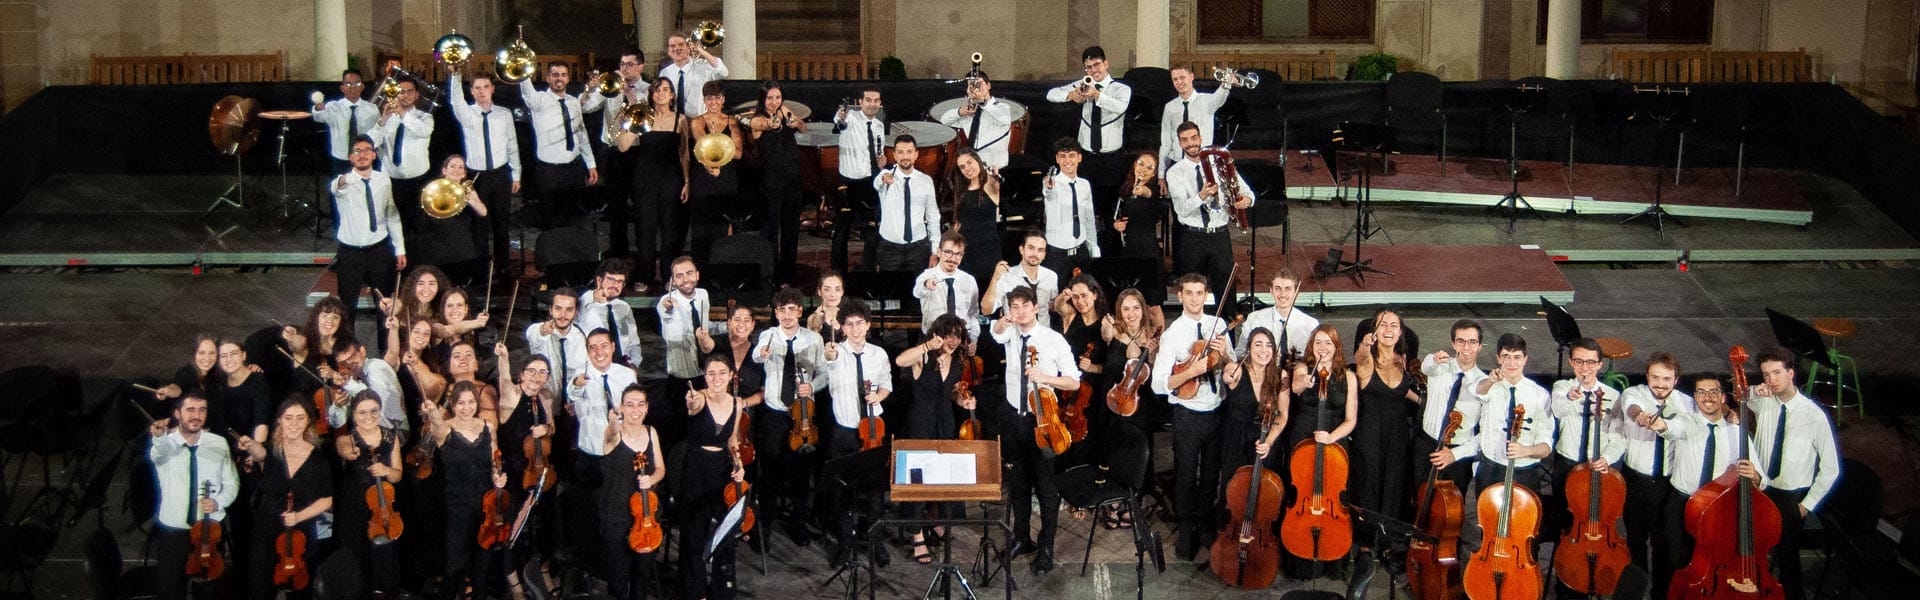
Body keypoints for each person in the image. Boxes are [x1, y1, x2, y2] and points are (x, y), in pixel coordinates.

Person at [989, 285, 1083, 574]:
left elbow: (1074, 381)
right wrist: (1004, 320)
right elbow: (995, 331)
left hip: (1042, 421)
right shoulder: (1010, 334)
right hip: (1012, 416)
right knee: (1017, 483)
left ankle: (1046, 546)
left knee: (1046, 488)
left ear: (1036, 308)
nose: (1020, 311)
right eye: (1014, 307)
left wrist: (1043, 377)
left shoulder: (1053, 340)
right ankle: (1021, 538)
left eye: (1024, 306)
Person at [1632, 371, 1740, 597]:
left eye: (1713, 392)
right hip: (1681, 504)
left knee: (1712, 562)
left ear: (1723, 397)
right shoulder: (1685, 421)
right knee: (1676, 560)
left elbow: (1759, 477)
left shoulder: (1736, 433)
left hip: (1718, 508)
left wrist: (1756, 477)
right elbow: (1670, 429)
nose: (1707, 397)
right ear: (1695, 397)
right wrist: (1659, 424)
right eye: (1701, 392)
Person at [1151, 274, 1234, 560]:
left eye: (1200, 293)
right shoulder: (1172, 335)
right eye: (1189, 293)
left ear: (1206, 295)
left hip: (1216, 411)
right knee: (1186, 476)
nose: (1195, 298)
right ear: (1181, 296)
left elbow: (1231, 369)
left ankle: (1205, 526)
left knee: (1211, 475)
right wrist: (1190, 372)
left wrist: (1225, 356)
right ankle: (1186, 529)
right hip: (1188, 415)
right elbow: (1159, 383)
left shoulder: (1219, 325)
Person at [1748, 348, 1842, 600]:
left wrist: (1806, 506)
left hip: (1792, 497)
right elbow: (1741, 394)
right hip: (1761, 488)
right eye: (1766, 375)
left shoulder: (1814, 415)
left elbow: (1831, 468)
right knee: (1751, 546)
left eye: (1777, 372)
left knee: (1788, 555)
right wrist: (1753, 390)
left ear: (1791, 373)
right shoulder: (1762, 401)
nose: (1772, 380)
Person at [1348, 308, 1421, 587]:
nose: (1389, 328)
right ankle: (1366, 545)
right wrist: (1365, 347)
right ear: (1374, 331)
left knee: (1393, 484)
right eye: (1383, 324)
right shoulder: (1366, 360)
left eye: (1394, 324)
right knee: (1367, 483)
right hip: (1369, 432)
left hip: (1397, 432)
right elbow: (1360, 359)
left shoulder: (1403, 360)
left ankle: (1389, 541)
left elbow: (1403, 392)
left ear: (1400, 332)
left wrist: (1426, 401)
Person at [750, 288, 827, 547]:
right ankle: (765, 528)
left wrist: (812, 387)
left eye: (791, 309)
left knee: (801, 473)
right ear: (776, 313)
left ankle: (798, 524)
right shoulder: (768, 336)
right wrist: (762, 354)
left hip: (803, 415)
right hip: (775, 414)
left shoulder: (813, 339)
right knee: (770, 472)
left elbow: (824, 374)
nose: (786, 315)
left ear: (800, 312)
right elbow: (757, 355)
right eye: (781, 310)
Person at [894, 314, 972, 562]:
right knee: (918, 480)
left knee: (940, 476)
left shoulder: (958, 363)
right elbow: (899, 360)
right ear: (938, 334)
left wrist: (963, 401)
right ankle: (917, 535)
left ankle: (936, 520)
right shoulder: (923, 357)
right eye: (948, 334)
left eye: (957, 335)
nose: (953, 340)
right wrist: (928, 346)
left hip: (944, 422)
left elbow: (950, 394)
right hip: (920, 422)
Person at [148, 393, 241, 600]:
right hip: (174, 531)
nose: (196, 415)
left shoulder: (218, 443)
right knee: (170, 591)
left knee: (208, 591)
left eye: (202, 410)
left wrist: (218, 502)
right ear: (177, 414)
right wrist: (158, 436)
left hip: (210, 531)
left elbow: (231, 483)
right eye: (190, 410)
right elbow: (160, 451)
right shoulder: (166, 446)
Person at [238, 399, 333, 600]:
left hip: (301, 531)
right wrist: (250, 444)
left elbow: (326, 500)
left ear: (308, 422)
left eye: (300, 418)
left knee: (300, 589)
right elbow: (259, 453)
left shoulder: (318, 460)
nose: (294, 423)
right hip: (267, 528)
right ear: (280, 420)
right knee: (260, 586)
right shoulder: (272, 451)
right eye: (288, 418)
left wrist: (299, 516)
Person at [821, 300, 892, 567]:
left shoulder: (879, 354)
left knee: (874, 492)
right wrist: (829, 354)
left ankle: (876, 543)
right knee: (843, 491)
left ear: (868, 325)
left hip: (873, 428)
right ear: (841, 327)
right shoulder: (835, 351)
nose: (855, 328)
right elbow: (828, 360)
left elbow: (887, 385)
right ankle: (845, 544)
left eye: (859, 323)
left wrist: (879, 394)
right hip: (845, 431)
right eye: (849, 324)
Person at [1284, 325, 1360, 576]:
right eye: (1318, 343)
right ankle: (1300, 556)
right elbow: (1295, 387)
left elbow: (1351, 419)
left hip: (1334, 439)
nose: (1323, 348)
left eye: (1328, 343)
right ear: (1311, 346)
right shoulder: (1303, 369)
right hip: (1304, 435)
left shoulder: (1349, 376)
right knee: (1302, 488)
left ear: (1336, 347)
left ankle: (1333, 556)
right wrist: (1303, 383)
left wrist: (1331, 438)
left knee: (1332, 494)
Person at [1616, 351, 1694, 585]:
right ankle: (1636, 587)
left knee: (1663, 543)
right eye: (1655, 377)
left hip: (1665, 485)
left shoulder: (1687, 404)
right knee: (1635, 540)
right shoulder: (1633, 393)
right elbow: (1631, 406)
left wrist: (1663, 426)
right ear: (1647, 376)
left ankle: (1661, 592)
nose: (1660, 384)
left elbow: (1684, 428)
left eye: (1666, 379)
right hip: (1635, 481)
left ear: (1676, 380)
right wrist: (1639, 415)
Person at [1469, 334, 1554, 543]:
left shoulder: (1540, 395)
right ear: (1498, 358)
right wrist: (1490, 379)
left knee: (1525, 534)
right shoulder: (1490, 386)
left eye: (1517, 357)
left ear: (1525, 359)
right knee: (1488, 530)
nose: (1512, 362)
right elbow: (1478, 391)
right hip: (1491, 470)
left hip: (1524, 474)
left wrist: (1526, 450)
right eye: (1506, 356)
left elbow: (1546, 446)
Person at [1546, 337, 1625, 554]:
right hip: (1567, 465)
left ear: (1600, 364)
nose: (1584, 368)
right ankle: (1566, 572)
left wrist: (1607, 458)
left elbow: (1619, 436)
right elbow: (1557, 410)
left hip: (1596, 466)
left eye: (1590, 362)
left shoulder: (1612, 396)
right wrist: (1571, 398)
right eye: (1579, 361)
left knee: (1597, 519)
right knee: (1566, 520)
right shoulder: (1562, 387)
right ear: (1571, 362)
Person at [679, 360, 749, 600]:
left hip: (721, 471)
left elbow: (732, 441)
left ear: (731, 375)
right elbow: (692, 404)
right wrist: (691, 401)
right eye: (711, 373)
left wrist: (738, 464)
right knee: (693, 535)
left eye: (721, 373)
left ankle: (722, 591)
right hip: (696, 470)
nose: (716, 378)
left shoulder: (737, 404)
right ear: (705, 376)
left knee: (724, 534)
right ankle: (694, 592)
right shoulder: (698, 398)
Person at [1166, 122, 1251, 304]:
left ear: (1200, 138)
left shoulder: (1219, 163)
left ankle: (1227, 329)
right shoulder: (1175, 172)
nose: (1191, 143)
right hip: (1191, 238)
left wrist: (1247, 200)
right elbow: (1181, 209)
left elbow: (1247, 191)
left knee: (1227, 290)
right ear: (1180, 144)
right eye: (1185, 140)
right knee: (1191, 292)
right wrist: (1202, 195)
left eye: (1194, 138)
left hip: (1219, 235)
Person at [329, 135, 406, 332]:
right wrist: (350, 178)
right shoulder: (343, 182)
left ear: (374, 154)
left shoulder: (383, 180)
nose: (362, 155)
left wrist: (400, 249)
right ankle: (347, 349)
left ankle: (385, 348)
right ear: (350, 157)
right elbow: (337, 186)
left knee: (384, 303)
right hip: (350, 252)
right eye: (357, 151)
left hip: (378, 249)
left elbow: (392, 214)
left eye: (366, 151)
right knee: (347, 305)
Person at [447, 70, 521, 273]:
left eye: (485, 87)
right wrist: (455, 75)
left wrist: (516, 173)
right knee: (479, 224)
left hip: (499, 174)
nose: (482, 92)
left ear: (493, 89)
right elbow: (455, 100)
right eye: (477, 88)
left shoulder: (504, 114)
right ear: (471, 91)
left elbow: (512, 144)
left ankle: (503, 266)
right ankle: (481, 268)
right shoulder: (466, 113)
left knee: (501, 222)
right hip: (477, 176)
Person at [331, 393, 405, 598]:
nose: (368, 416)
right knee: (358, 555)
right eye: (362, 412)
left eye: (373, 411)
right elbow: (343, 448)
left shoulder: (391, 437)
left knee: (384, 556)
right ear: (353, 415)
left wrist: (387, 471)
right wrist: (349, 453)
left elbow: (397, 475)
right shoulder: (348, 439)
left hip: (383, 508)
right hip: (355, 508)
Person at [602, 384, 666, 600]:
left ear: (646, 407)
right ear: (622, 407)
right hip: (617, 514)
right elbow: (610, 434)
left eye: (640, 405)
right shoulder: (613, 435)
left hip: (646, 515)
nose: (635, 410)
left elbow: (660, 469)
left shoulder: (651, 432)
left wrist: (651, 479)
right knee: (619, 577)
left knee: (642, 575)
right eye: (629, 405)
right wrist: (613, 421)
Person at [1414, 319, 1488, 502]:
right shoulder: (1440, 367)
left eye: (1472, 342)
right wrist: (1434, 358)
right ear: (1453, 344)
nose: (1466, 347)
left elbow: (1487, 433)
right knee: (1417, 502)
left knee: (1451, 516)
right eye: (1461, 341)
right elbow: (1427, 366)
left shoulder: (1485, 384)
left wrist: (1455, 454)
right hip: (1426, 447)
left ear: (1480, 346)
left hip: (1458, 456)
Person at [630, 77, 692, 284]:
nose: (661, 93)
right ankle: (644, 275)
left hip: (671, 177)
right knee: (645, 228)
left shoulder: (680, 119)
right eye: (657, 90)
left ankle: (670, 275)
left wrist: (686, 181)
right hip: (645, 177)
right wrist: (630, 122)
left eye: (666, 89)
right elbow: (622, 146)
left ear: (672, 95)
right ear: (651, 94)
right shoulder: (642, 117)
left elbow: (684, 153)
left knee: (670, 229)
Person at [519, 61, 600, 219]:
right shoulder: (539, 101)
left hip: (574, 170)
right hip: (550, 172)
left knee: (575, 218)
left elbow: (581, 134)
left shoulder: (574, 102)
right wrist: (522, 71)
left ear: (568, 79)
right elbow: (527, 93)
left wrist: (590, 164)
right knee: (551, 219)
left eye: (563, 75)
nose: (559, 78)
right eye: (555, 75)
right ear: (548, 78)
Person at [748, 81, 810, 281]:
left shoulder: (784, 110)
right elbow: (766, 124)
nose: (774, 102)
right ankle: (770, 273)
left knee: (791, 229)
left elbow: (803, 128)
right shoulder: (757, 119)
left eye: (777, 97)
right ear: (763, 99)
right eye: (770, 98)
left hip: (792, 179)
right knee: (771, 229)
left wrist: (796, 123)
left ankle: (788, 275)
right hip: (771, 182)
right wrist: (774, 123)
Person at [591, 49, 648, 257]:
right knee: (616, 204)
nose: (625, 68)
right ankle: (618, 249)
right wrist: (591, 89)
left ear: (641, 66)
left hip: (637, 151)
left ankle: (644, 248)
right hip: (613, 152)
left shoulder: (648, 89)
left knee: (641, 203)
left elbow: (644, 114)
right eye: (622, 64)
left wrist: (630, 94)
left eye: (630, 64)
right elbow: (587, 107)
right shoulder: (611, 86)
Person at [657, 255, 715, 449]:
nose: (685, 279)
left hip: (703, 374)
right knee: (678, 432)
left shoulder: (703, 295)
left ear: (697, 275)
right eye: (679, 276)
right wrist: (668, 309)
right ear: (673, 281)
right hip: (680, 378)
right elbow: (666, 314)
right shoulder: (667, 301)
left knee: (703, 427)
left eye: (689, 273)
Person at [686, 81, 746, 264]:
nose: (713, 102)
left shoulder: (732, 122)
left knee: (724, 226)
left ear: (723, 100)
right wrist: (711, 159)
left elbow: (738, 153)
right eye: (709, 98)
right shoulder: (697, 121)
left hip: (725, 179)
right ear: (704, 100)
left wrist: (721, 153)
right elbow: (702, 143)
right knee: (702, 226)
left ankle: (723, 266)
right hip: (703, 178)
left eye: (717, 98)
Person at [1221, 328, 1289, 483]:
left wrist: (1268, 442)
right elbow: (1228, 374)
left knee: (1267, 492)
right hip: (1237, 441)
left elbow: (1282, 414)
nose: (1264, 350)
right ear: (1249, 348)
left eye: (1269, 345)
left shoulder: (1281, 375)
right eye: (1258, 344)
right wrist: (1228, 377)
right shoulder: (1236, 369)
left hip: (1265, 439)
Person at [831, 86, 887, 272]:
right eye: (868, 100)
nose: (872, 104)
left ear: (880, 104)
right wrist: (842, 114)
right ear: (860, 102)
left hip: (870, 183)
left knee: (872, 231)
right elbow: (840, 121)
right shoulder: (851, 118)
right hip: (848, 182)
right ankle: (838, 275)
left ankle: (868, 273)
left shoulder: (879, 126)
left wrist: (881, 162)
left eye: (876, 100)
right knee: (842, 231)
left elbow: (877, 153)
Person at [376, 77, 435, 252]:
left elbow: (423, 131)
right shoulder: (387, 117)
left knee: (418, 225)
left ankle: (417, 266)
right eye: (401, 91)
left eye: (409, 91)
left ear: (417, 95)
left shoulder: (425, 117)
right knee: (392, 223)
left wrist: (403, 114)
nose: (405, 95)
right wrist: (382, 121)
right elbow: (373, 142)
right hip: (391, 180)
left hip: (417, 180)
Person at [415, 155, 494, 287]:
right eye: (452, 166)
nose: (456, 170)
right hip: (439, 245)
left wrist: (470, 199)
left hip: (462, 246)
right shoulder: (434, 188)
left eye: (460, 167)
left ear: (464, 173)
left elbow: (483, 212)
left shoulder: (468, 189)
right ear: (444, 170)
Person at [870, 135, 941, 271]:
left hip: (919, 248)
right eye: (900, 152)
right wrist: (884, 177)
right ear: (894, 155)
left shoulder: (926, 181)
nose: (905, 156)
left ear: (916, 155)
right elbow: (877, 183)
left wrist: (934, 251)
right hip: (889, 249)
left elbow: (933, 216)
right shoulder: (887, 177)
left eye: (909, 152)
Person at [1045, 46, 1130, 156]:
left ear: (1106, 64)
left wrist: (1096, 95)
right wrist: (1070, 95)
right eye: (1089, 67)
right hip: (1085, 153)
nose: (1094, 70)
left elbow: (1120, 107)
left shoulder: (1121, 88)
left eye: (1097, 65)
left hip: (1112, 155)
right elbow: (1050, 94)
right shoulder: (1084, 84)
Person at [1038, 138, 1099, 276]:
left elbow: (1089, 219)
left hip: (1081, 252)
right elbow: (1049, 193)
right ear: (1057, 159)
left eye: (1071, 155)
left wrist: (1094, 249)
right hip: (1056, 255)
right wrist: (1048, 187)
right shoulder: (1052, 183)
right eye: (1062, 156)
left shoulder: (1085, 185)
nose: (1067, 161)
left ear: (1079, 158)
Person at [324, 335, 405, 432]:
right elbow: (337, 423)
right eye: (343, 363)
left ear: (362, 351)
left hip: (394, 431)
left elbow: (375, 401)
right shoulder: (352, 381)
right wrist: (338, 406)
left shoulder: (377, 367)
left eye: (352, 356)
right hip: (369, 434)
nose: (349, 364)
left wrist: (347, 383)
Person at [981, 231, 1060, 330]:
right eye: (1031, 248)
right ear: (1021, 249)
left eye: (1040, 250)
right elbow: (986, 310)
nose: (1035, 254)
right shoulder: (1007, 276)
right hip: (1015, 336)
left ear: (1044, 254)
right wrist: (995, 278)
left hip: (1044, 336)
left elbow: (1051, 307)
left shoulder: (1051, 276)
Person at [937, 72, 1015, 169]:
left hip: (997, 169)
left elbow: (1005, 119)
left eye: (979, 84)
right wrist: (960, 111)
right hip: (974, 168)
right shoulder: (970, 112)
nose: (976, 88)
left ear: (988, 85)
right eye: (971, 85)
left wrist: (983, 102)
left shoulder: (1002, 107)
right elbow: (944, 120)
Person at [913, 231, 982, 340]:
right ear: (939, 252)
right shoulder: (927, 275)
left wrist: (973, 339)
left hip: (961, 338)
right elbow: (917, 291)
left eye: (958, 254)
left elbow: (973, 314)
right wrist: (927, 284)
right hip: (934, 338)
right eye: (948, 252)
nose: (953, 258)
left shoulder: (969, 280)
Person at [1159, 67, 1230, 171]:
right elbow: (1165, 142)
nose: (1179, 82)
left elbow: (1220, 97)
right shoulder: (1169, 107)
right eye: (1175, 79)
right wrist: (1161, 173)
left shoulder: (1207, 100)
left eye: (1182, 77)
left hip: (1202, 163)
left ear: (1191, 77)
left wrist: (1227, 83)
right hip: (1177, 164)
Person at [1236, 269, 1319, 359]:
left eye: (1288, 289)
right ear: (1271, 291)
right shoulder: (1255, 319)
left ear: (1296, 292)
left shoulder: (1310, 324)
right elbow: (1240, 353)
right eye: (1277, 288)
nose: (1282, 294)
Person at [950, 149, 1004, 285]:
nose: (967, 168)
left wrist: (993, 173)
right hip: (966, 251)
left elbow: (996, 179)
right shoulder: (961, 189)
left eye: (970, 162)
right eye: (962, 166)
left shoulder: (991, 184)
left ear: (978, 161)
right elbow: (958, 223)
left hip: (988, 250)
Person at [312, 69, 380, 175]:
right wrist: (318, 108)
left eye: (357, 83)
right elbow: (319, 116)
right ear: (342, 88)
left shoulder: (372, 109)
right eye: (348, 84)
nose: (352, 87)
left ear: (362, 86)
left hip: (364, 160)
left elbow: (378, 132)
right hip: (340, 161)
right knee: (340, 189)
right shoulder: (333, 107)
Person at [577, 258, 644, 366]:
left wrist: (633, 366)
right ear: (599, 280)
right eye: (610, 279)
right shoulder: (584, 304)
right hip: (591, 371)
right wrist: (593, 296)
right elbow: (574, 299)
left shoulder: (624, 307)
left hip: (622, 370)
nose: (615, 285)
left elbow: (634, 345)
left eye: (619, 281)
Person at [1107, 151, 1166, 268]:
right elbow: (1111, 214)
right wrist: (1115, 225)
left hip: (1147, 248)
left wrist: (1143, 191)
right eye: (1141, 164)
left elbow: (1149, 194)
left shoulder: (1154, 190)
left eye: (1149, 168)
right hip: (1124, 247)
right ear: (1135, 165)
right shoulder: (1122, 189)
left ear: (1154, 173)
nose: (1143, 169)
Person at [525, 288, 588, 397]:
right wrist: (543, 329)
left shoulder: (582, 337)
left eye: (569, 310)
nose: (563, 315)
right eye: (558, 308)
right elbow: (533, 333)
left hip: (573, 402)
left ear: (576, 312)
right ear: (550, 310)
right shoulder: (539, 331)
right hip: (544, 400)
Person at [659, 31, 730, 116]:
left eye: (681, 45)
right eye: (672, 46)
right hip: (674, 121)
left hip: (699, 121)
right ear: (668, 51)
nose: (677, 49)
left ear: (689, 47)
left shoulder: (703, 66)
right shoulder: (665, 73)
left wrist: (700, 50)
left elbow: (723, 72)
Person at [805, 271, 847, 344]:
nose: (833, 294)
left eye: (837, 289)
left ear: (842, 292)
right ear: (819, 292)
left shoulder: (846, 315)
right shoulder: (815, 318)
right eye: (827, 289)